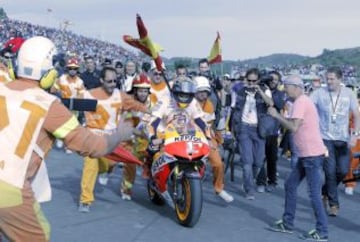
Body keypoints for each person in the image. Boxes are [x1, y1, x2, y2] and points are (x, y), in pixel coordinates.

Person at [0, 36, 133, 242]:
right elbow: (95, 147)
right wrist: (120, 134)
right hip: (9, 186)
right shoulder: (49, 105)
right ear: (50, 71)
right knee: (40, 234)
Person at [78, 66, 149, 212]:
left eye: (115, 81)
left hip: (111, 139)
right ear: (101, 80)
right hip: (93, 137)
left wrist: (154, 112)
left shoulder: (120, 95)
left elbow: (135, 106)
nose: (112, 84)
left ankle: (106, 170)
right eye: (109, 81)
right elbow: (71, 105)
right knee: (90, 167)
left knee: (108, 165)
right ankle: (85, 200)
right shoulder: (89, 95)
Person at [268, 75, 328, 242]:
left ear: (296, 87)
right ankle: (288, 223)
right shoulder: (302, 101)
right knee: (290, 185)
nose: (285, 90)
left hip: (311, 154)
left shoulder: (301, 102)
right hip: (306, 154)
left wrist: (277, 116)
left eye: (286, 86)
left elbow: (294, 127)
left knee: (314, 193)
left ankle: (322, 231)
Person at [310, 66, 360, 216]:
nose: (329, 81)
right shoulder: (319, 93)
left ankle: (325, 191)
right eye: (327, 78)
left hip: (343, 139)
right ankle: (334, 204)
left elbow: (357, 115)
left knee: (343, 171)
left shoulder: (348, 93)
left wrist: (355, 134)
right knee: (330, 172)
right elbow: (308, 108)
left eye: (332, 79)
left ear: (340, 79)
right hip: (325, 139)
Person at [231, 68, 273, 200]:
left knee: (259, 162)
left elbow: (271, 104)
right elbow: (234, 110)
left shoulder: (265, 90)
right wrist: (233, 130)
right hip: (244, 128)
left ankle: (250, 180)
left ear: (258, 80)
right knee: (247, 162)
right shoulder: (240, 91)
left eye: (254, 81)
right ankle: (249, 189)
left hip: (259, 129)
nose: (251, 83)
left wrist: (259, 90)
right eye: (248, 80)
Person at [193, 76, 234, 202]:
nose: (203, 94)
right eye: (200, 91)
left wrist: (213, 139)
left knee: (218, 163)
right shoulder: (187, 103)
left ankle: (218, 188)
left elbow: (210, 124)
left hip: (206, 136)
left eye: (205, 91)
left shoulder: (210, 105)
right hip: (189, 137)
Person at [120, 73, 152, 200]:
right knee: (130, 165)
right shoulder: (128, 104)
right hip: (131, 139)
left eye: (145, 90)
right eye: (140, 90)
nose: (143, 93)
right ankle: (126, 189)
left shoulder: (153, 102)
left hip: (148, 139)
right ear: (135, 90)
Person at [256, 71, 285, 193]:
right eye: (270, 79)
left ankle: (272, 181)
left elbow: (277, 104)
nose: (272, 81)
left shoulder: (280, 94)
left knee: (272, 158)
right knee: (260, 158)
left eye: (275, 80)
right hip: (259, 128)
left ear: (279, 82)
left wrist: (266, 92)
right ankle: (261, 181)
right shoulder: (259, 90)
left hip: (273, 130)